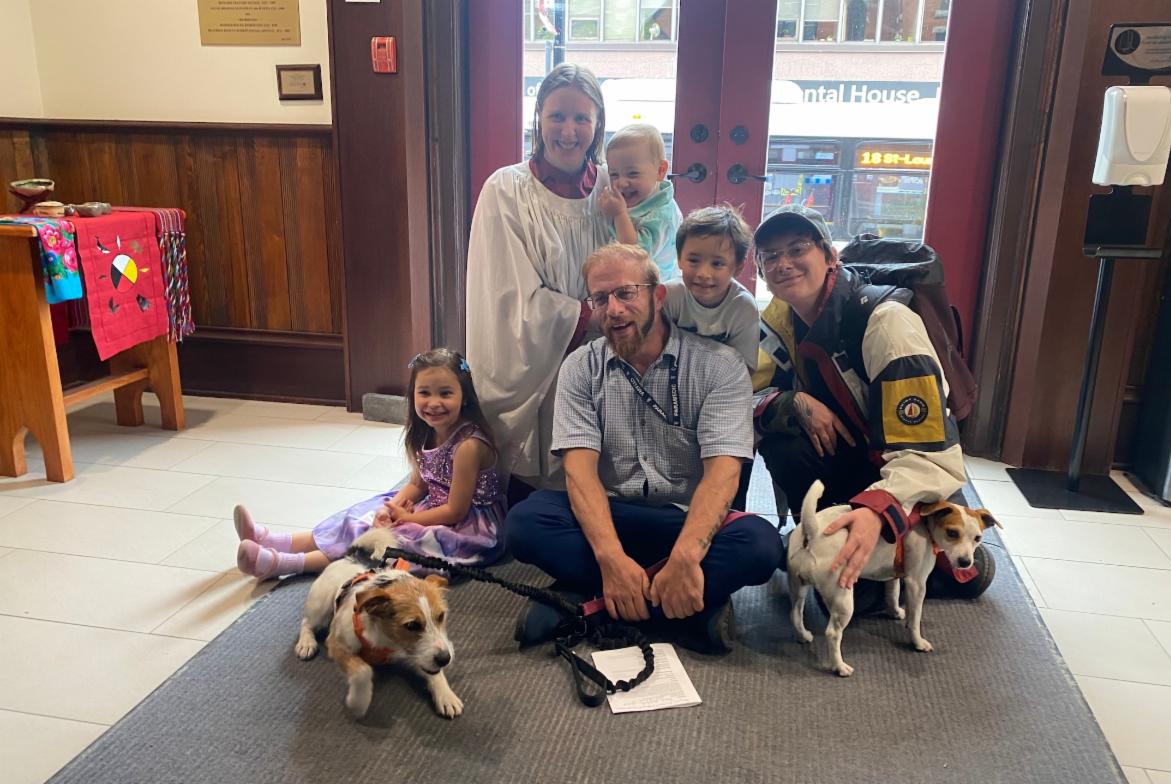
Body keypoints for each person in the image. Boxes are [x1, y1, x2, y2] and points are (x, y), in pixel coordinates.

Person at [506, 244, 784, 653]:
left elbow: (723, 474)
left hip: (683, 520)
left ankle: (586, 604)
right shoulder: (580, 367)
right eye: (600, 299)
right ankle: (684, 612)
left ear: (658, 296)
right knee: (525, 523)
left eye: (625, 293)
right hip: (610, 515)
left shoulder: (720, 366)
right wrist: (610, 558)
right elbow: (579, 473)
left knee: (760, 545)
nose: (613, 310)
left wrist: (686, 557)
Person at [750, 204, 970, 592]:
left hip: (908, 467)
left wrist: (877, 509)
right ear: (762, 274)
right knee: (784, 440)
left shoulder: (887, 323)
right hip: (851, 452)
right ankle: (821, 538)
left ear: (829, 257)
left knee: (949, 579)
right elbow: (747, 396)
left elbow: (927, 452)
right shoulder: (778, 321)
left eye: (798, 249)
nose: (784, 264)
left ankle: (907, 548)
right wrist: (793, 401)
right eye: (770, 256)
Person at [466, 63, 611, 493]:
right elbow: (506, 297)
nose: (568, 131)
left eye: (581, 118)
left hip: (607, 354)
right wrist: (586, 317)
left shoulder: (612, 189)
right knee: (532, 500)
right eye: (557, 116)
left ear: (598, 123)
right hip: (539, 367)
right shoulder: (506, 190)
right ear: (538, 117)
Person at [234, 349, 505, 580]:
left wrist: (406, 518)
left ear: (464, 397)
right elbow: (418, 484)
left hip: (467, 525)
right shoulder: (425, 433)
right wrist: (390, 509)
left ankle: (282, 564)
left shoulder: (468, 446)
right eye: (424, 392)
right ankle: (273, 540)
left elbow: (455, 511)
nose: (434, 403)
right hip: (432, 506)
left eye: (445, 393)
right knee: (363, 516)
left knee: (391, 541)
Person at [661, 205, 760, 373]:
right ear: (679, 259)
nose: (703, 273)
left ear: (738, 267)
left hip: (721, 380)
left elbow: (745, 369)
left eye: (717, 264)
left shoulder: (743, 307)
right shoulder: (669, 296)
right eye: (693, 260)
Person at [597, 123, 683, 282]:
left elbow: (635, 254)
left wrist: (619, 214)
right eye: (614, 174)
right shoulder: (645, 199)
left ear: (660, 171)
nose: (622, 183)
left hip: (653, 290)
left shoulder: (662, 216)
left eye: (632, 174)